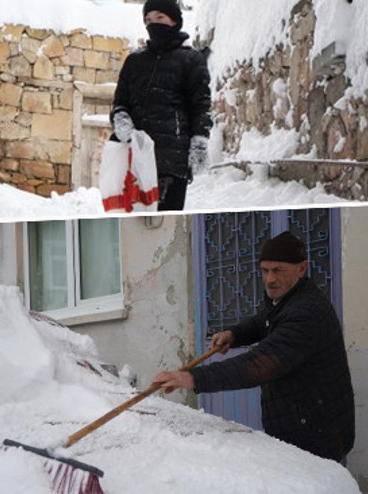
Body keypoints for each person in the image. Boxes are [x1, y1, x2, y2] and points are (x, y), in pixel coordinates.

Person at [152, 231, 355, 462]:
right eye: (265, 271)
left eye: (278, 270)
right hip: (301, 427)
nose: (269, 279)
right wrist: (234, 335)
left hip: (319, 437)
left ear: (301, 268)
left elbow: (260, 364)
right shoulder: (287, 299)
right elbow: (264, 321)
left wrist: (193, 377)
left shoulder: (306, 313)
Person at [109, 0, 212, 210]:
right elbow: (120, 102)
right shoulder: (134, 61)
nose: (153, 24)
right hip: (135, 160)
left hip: (172, 161)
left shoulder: (190, 60)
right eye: (148, 20)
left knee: (165, 219)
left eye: (160, 17)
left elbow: (200, 106)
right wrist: (120, 118)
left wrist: (199, 141)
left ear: (175, 21)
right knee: (135, 219)